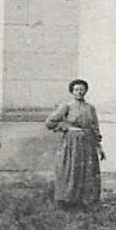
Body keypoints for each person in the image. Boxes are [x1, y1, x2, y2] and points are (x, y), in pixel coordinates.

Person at [45, 78, 104, 208]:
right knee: (71, 170)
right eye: (76, 90)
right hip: (72, 144)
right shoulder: (66, 106)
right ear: (72, 91)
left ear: (86, 91)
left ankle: (86, 201)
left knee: (88, 171)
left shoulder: (90, 108)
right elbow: (50, 122)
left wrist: (99, 147)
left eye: (82, 90)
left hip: (88, 144)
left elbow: (95, 128)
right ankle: (67, 200)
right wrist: (66, 128)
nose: (79, 92)